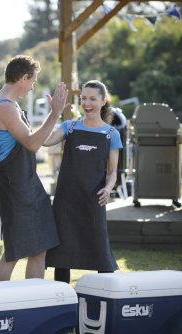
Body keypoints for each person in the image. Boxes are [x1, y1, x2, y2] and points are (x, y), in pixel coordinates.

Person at [0, 55, 67, 282]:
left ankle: (35, 300)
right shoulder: (5, 107)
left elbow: (34, 139)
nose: (33, 87)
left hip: (26, 184)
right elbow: (33, 144)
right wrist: (55, 113)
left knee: (39, 247)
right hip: (16, 187)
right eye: (32, 81)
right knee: (13, 253)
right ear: (23, 78)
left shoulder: (9, 104)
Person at [44, 80, 122, 283]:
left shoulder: (112, 134)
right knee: (62, 254)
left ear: (104, 101)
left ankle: (108, 296)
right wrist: (55, 113)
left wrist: (108, 188)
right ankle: (61, 298)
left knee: (100, 252)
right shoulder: (69, 127)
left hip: (93, 200)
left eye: (92, 99)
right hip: (66, 201)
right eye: (83, 98)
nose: (87, 103)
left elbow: (112, 172)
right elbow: (45, 140)